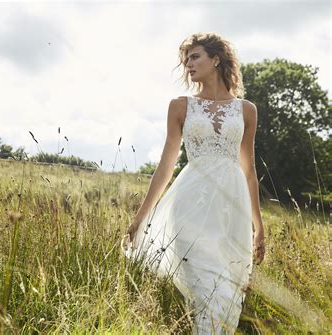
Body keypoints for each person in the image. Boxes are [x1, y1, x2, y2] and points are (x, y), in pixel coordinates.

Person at [123, 32, 266, 334]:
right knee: (203, 282)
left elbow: (249, 170)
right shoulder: (180, 106)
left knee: (227, 286)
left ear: (216, 59)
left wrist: (259, 226)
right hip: (191, 201)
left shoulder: (246, 109)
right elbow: (166, 166)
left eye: (195, 56)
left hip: (232, 205)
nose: (188, 63)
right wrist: (141, 217)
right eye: (186, 59)